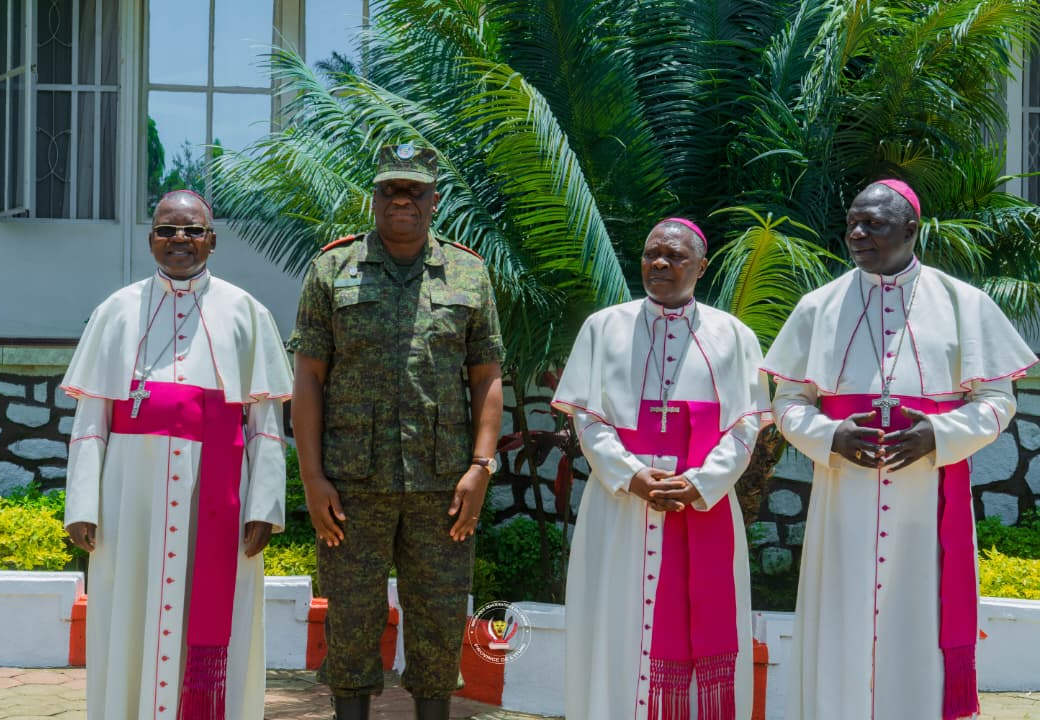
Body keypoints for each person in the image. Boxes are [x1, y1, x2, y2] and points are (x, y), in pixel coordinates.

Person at [762, 180, 1038, 719]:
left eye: (874, 224)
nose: (857, 234)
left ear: (911, 230)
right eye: (852, 224)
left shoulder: (963, 303)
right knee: (839, 627)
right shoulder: (819, 306)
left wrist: (939, 435)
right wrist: (831, 437)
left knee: (918, 627)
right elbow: (789, 401)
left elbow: (996, 401)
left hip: (926, 503)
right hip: (844, 500)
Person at [287, 142, 504, 720]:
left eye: (414, 190)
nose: (401, 199)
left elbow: (486, 378)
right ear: (374, 198)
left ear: (435, 200)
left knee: (437, 618)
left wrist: (481, 468)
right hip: (351, 485)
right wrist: (311, 477)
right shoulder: (332, 268)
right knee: (351, 619)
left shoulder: (468, 271)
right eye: (390, 189)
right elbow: (307, 377)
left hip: (444, 486)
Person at [61, 189, 293, 719]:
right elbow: (91, 424)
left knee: (216, 619)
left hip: (215, 499)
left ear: (212, 240)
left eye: (192, 230)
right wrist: (81, 505)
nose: (179, 240)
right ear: (151, 240)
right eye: (167, 230)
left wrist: (264, 506)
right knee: (129, 615)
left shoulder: (246, 312)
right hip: (130, 500)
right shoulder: (117, 311)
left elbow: (263, 427)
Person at [552, 218, 770, 720]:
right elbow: (589, 418)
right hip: (619, 506)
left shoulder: (733, 336)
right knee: (615, 623)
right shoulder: (603, 327)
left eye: (674, 256)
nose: (659, 264)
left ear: (701, 266)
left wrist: (700, 482)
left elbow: (744, 429)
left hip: (700, 504)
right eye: (652, 253)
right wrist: (629, 474)